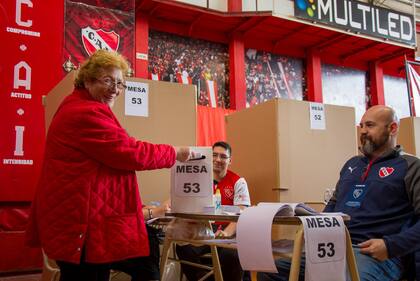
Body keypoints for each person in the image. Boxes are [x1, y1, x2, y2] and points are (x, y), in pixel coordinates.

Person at [25, 50, 196, 281]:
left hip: (80, 222)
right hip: (81, 227)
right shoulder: (86, 113)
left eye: (119, 83)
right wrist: (175, 153)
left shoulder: (77, 106)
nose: (115, 89)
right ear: (87, 80)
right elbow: (131, 152)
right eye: (107, 80)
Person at [258, 105, 420, 281]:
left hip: (374, 255)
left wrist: (389, 246)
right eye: (361, 125)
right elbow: (333, 207)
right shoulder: (352, 165)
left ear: (392, 128)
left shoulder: (411, 167)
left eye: (370, 125)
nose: (363, 131)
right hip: (330, 250)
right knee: (267, 272)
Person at [176, 141, 251, 281]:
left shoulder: (238, 181)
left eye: (223, 156)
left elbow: (243, 212)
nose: (218, 160)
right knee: (183, 248)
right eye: (214, 155)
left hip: (229, 231)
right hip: (205, 230)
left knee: (232, 256)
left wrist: (227, 233)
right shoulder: (199, 179)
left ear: (230, 160)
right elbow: (183, 201)